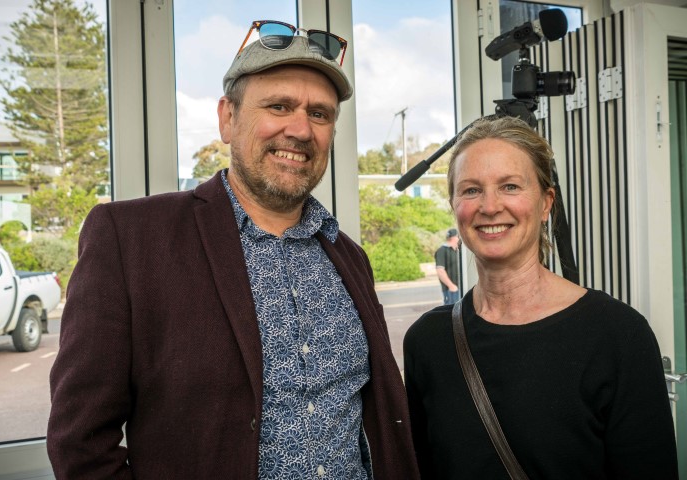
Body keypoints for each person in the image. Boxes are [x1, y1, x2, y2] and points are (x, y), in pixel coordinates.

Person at [47, 22, 419, 480]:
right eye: (279, 106)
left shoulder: (349, 256)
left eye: (320, 114)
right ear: (228, 118)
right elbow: (80, 441)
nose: (300, 129)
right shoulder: (130, 238)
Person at [403, 115, 678, 479]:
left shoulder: (618, 336)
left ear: (546, 203)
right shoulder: (428, 342)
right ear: (454, 204)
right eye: (471, 190)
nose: (489, 206)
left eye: (510, 186)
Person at [434, 227, 460, 304]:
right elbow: (440, 271)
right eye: (458, 236)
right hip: (451, 291)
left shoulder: (457, 250)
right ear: (454, 237)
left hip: (460, 289)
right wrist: (451, 286)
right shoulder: (442, 250)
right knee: (450, 313)